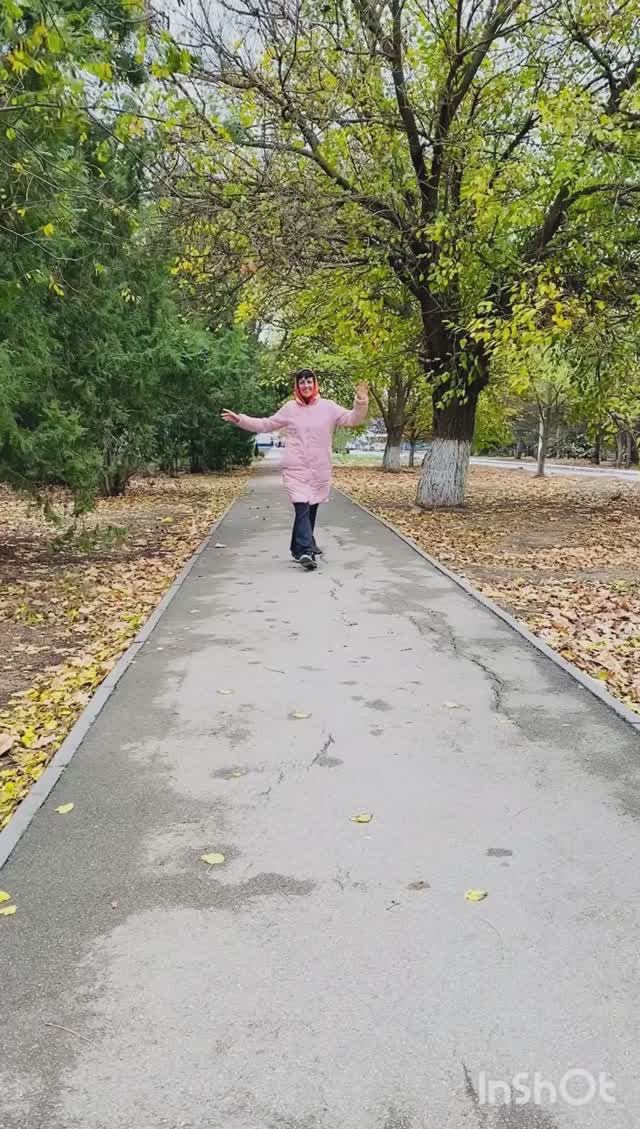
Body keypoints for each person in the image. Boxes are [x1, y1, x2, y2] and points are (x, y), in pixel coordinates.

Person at [222, 370, 369, 571]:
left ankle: (297, 547)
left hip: (319, 469)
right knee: (302, 507)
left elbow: (353, 419)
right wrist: (241, 420)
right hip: (295, 468)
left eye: (309, 381)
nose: (306, 385)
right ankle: (307, 551)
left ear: (315, 384)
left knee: (311, 509)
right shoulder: (290, 408)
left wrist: (361, 401)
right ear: (297, 386)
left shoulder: (328, 407)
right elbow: (266, 424)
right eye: (302, 382)